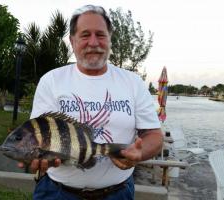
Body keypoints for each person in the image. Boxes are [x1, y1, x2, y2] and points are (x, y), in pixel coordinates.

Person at [19, 5, 163, 200]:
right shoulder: (52, 80)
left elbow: (154, 135)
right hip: (56, 192)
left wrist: (140, 153)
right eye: (85, 35)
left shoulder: (133, 82)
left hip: (117, 193)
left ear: (110, 40)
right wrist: (40, 157)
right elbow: (40, 132)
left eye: (100, 35)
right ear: (72, 41)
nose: (93, 42)